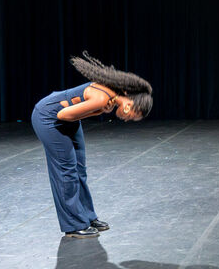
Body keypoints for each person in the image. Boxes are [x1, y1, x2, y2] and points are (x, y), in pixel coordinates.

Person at [32, 52, 152, 239]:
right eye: (131, 117)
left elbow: (71, 115)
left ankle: (87, 217)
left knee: (79, 169)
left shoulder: (110, 97)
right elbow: (62, 115)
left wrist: (96, 112)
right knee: (66, 171)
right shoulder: (103, 99)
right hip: (48, 117)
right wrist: (96, 111)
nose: (126, 119)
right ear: (129, 106)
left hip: (67, 119)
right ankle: (73, 225)